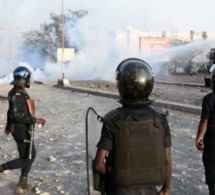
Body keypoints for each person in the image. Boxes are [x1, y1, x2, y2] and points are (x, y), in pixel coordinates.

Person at [93, 58, 172, 195]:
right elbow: (167, 162)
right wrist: (166, 189)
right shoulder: (160, 120)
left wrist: (115, 176)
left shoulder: (113, 120)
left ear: (121, 86)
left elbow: (99, 165)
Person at [0, 66, 46, 190]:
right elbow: (17, 115)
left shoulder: (15, 91)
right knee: (28, 158)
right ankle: (2, 168)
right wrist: (35, 120)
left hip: (19, 128)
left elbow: (11, 111)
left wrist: (9, 124)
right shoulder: (19, 93)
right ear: (24, 78)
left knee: (27, 155)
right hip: (21, 130)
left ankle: (23, 181)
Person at [196, 69, 215, 195]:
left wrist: (198, 138)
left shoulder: (208, 99)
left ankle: (212, 189)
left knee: (210, 165)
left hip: (212, 137)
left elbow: (204, 121)